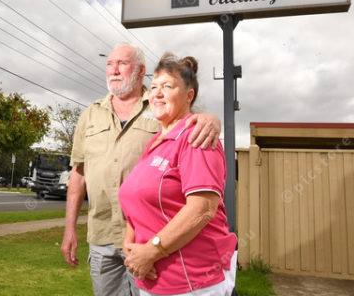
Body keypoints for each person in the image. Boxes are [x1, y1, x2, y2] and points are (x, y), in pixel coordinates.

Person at [61, 43, 222, 296]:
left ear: (140, 70)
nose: (114, 70)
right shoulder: (90, 115)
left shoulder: (160, 109)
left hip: (155, 239)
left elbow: (189, 123)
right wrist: (69, 229)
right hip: (103, 234)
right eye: (109, 64)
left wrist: (211, 119)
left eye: (122, 64)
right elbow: (78, 176)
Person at [119, 53, 237, 296]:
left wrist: (151, 251)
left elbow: (202, 209)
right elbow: (136, 201)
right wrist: (131, 246)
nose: (157, 93)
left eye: (167, 86)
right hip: (154, 278)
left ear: (189, 95)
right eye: (154, 87)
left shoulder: (198, 136)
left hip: (193, 280)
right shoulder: (155, 142)